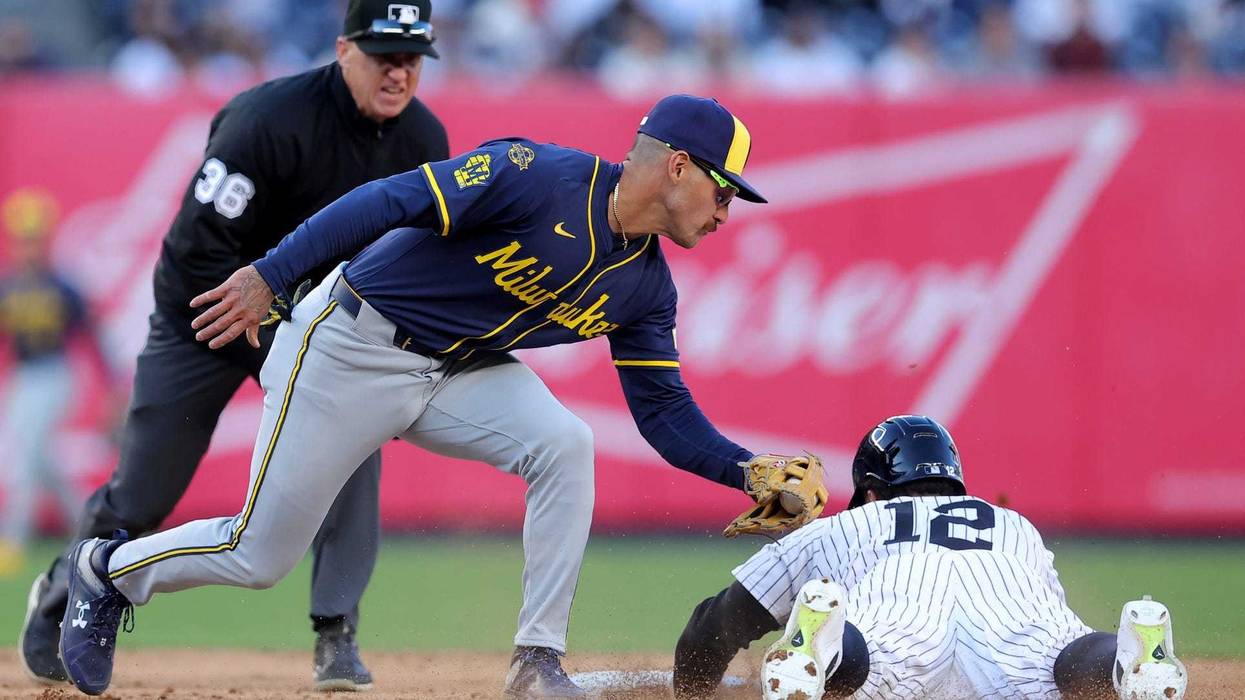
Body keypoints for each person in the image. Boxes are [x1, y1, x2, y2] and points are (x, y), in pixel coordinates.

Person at [53, 93, 804, 699]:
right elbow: (386, 200)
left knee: (566, 446)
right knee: (259, 556)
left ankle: (535, 660)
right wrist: (271, 274)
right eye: (723, 189)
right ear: (677, 166)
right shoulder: (537, 175)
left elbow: (663, 413)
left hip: (457, 370)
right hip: (351, 346)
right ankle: (105, 569)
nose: (725, 212)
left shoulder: (645, 287)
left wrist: (742, 471)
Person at [19, 0, 448, 692]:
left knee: (353, 438)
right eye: (381, 55)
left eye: (410, 59)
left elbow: (416, 262)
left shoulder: (424, 140)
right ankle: (72, 583)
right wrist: (271, 320)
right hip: (203, 314)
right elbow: (194, 250)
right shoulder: (268, 120)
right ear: (342, 51)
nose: (397, 73)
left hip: (308, 328)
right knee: (145, 491)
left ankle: (336, 628)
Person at [671, 415, 1189, 700]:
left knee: (867, 665)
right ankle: (1124, 658)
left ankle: (827, 646)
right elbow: (1048, 623)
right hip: (1007, 633)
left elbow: (714, 624)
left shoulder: (847, 524)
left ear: (872, 491)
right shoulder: (1014, 526)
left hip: (901, 634)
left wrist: (691, 692)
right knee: (1055, 653)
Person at [0, 189, 112, 575]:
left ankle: (12, 541)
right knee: (40, 460)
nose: (28, 247)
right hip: (23, 378)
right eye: (22, 239)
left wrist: (112, 386)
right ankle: (88, 526)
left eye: (34, 239)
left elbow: (93, 335)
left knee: (26, 454)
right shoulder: (9, 285)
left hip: (56, 374)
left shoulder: (61, 284)